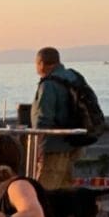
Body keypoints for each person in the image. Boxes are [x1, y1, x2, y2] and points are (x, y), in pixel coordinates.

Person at [31, 46, 84, 191]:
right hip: (73, 143)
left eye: (36, 64)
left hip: (53, 147)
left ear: (41, 63)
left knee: (43, 192)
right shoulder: (73, 77)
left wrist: (38, 149)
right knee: (65, 192)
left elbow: (43, 119)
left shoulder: (49, 84)